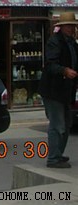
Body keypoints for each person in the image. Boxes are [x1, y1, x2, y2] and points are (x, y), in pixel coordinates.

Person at [39, 12, 78, 169]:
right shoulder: (54, 42)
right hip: (53, 91)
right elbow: (50, 65)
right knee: (58, 125)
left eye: (72, 26)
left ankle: (58, 153)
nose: (71, 29)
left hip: (66, 91)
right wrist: (64, 71)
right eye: (68, 26)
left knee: (67, 124)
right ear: (61, 27)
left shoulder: (72, 43)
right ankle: (53, 158)